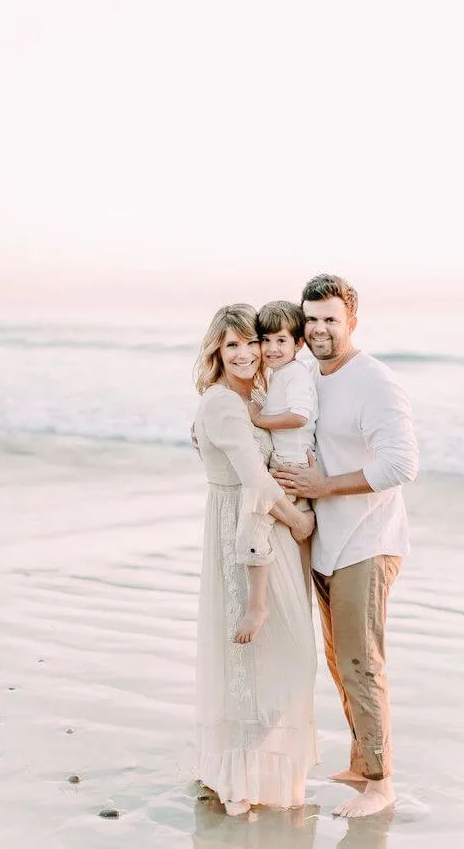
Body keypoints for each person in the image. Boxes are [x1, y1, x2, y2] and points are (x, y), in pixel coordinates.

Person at [273, 274, 418, 819]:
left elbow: (401, 464)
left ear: (352, 320)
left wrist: (323, 487)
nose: (319, 329)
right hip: (327, 541)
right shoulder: (308, 374)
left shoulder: (376, 382)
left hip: (369, 540)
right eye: (310, 319)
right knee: (339, 660)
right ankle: (361, 762)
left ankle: (381, 784)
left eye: (330, 319)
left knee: (361, 661)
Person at [192, 303, 318, 816]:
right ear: (216, 353)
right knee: (260, 657)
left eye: (251, 343)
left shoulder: (258, 397)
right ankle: (240, 779)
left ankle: (254, 771)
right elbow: (256, 479)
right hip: (244, 533)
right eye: (232, 345)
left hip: (265, 528)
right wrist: (301, 522)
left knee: (282, 658)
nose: (245, 354)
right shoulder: (224, 403)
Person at [247, 300, 318, 594]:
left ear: (298, 343)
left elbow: (299, 416)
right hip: (284, 460)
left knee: (258, 523)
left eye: (281, 340)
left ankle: (260, 596)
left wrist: (261, 419)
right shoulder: (280, 374)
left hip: (292, 465)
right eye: (266, 340)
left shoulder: (295, 374)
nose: (272, 348)